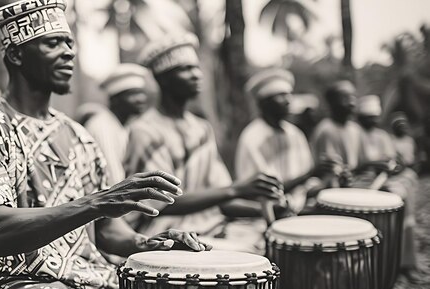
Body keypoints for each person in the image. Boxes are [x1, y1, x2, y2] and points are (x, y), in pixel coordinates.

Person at [0, 2, 241, 289]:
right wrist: (98, 201)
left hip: (84, 284)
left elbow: (108, 232)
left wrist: (148, 244)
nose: (68, 52)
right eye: (52, 43)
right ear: (16, 55)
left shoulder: (79, 136)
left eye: (69, 43)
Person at [124, 33, 284, 240]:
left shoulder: (201, 128)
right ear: (162, 79)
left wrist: (263, 208)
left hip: (212, 229)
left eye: (196, 67)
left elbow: (223, 199)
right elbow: (161, 203)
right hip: (165, 235)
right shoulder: (145, 130)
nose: (196, 74)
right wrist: (237, 188)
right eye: (185, 69)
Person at [237, 69, 334, 213]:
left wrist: (328, 178)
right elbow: (263, 192)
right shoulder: (252, 137)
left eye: (289, 94)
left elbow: (305, 188)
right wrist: (310, 174)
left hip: (300, 209)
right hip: (263, 214)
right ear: (264, 103)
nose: (288, 100)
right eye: (281, 96)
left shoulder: (295, 134)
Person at [355, 95, 419, 273]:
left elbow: (393, 160)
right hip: (361, 183)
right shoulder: (355, 133)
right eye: (369, 117)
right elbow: (353, 166)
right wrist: (372, 165)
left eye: (375, 117)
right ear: (360, 117)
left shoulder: (382, 135)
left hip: (385, 179)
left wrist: (393, 167)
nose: (373, 121)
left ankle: (402, 260)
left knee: (404, 188)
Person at [83, 63, 149, 185]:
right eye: (132, 94)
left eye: (141, 93)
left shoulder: (125, 126)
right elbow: (114, 181)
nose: (140, 99)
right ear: (115, 99)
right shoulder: (101, 126)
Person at [310, 80, 363, 182]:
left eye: (353, 97)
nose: (351, 102)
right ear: (332, 103)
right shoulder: (326, 130)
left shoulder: (355, 129)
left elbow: (358, 165)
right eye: (345, 98)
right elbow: (330, 172)